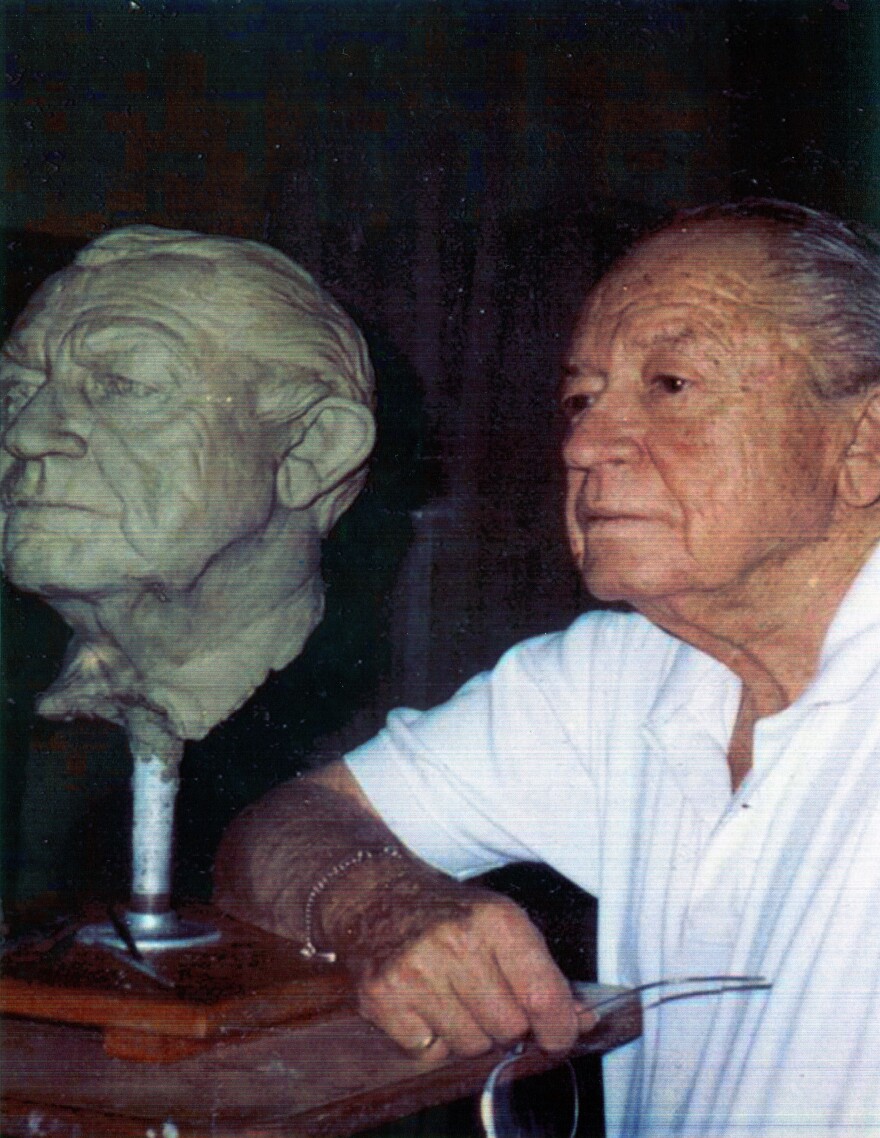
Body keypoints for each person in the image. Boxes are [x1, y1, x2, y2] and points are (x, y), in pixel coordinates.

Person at [214, 199, 880, 1137]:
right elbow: (277, 833)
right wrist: (378, 903)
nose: (582, 444)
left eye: (672, 384)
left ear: (862, 443)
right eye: (582, 397)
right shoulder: (616, 680)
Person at [0, 226, 376, 740]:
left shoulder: (384, 738)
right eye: (17, 392)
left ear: (311, 448)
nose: (26, 434)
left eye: (124, 384)